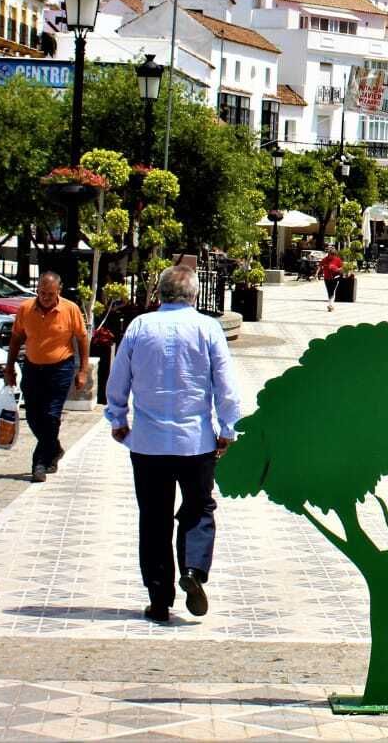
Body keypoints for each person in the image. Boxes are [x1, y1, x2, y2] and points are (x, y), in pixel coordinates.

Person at [105, 265, 242, 624]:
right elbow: (225, 385)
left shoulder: (139, 327)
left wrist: (118, 420)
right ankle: (194, 570)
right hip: (195, 441)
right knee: (198, 509)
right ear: (194, 295)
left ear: (159, 294)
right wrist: (227, 428)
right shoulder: (208, 329)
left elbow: (118, 378)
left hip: (148, 443)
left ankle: (159, 599)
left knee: (154, 519)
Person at [4, 271, 90, 483]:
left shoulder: (70, 309)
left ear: (58, 292)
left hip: (60, 368)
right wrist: (9, 367)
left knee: (51, 416)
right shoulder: (25, 309)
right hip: (33, 368)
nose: (45, 297)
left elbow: (82, 339)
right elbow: (16, 339)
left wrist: (83, 371)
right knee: (33, 416)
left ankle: (39, 463)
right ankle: (54, 448)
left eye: (50, 294)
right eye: (42, 292)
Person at [319, 244, 344, 311]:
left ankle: (330, 304)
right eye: (331, 255)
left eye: (333, 255)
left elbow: (342, 267)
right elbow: (320, 266)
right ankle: (330, 304)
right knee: (329, 291)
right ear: (329, 254)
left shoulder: (337, 260)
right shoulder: (324, 259)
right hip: (327, 277)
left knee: (332, 290)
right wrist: (317, 273)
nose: (332, 256)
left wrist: (337, 269)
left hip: (335, 277)